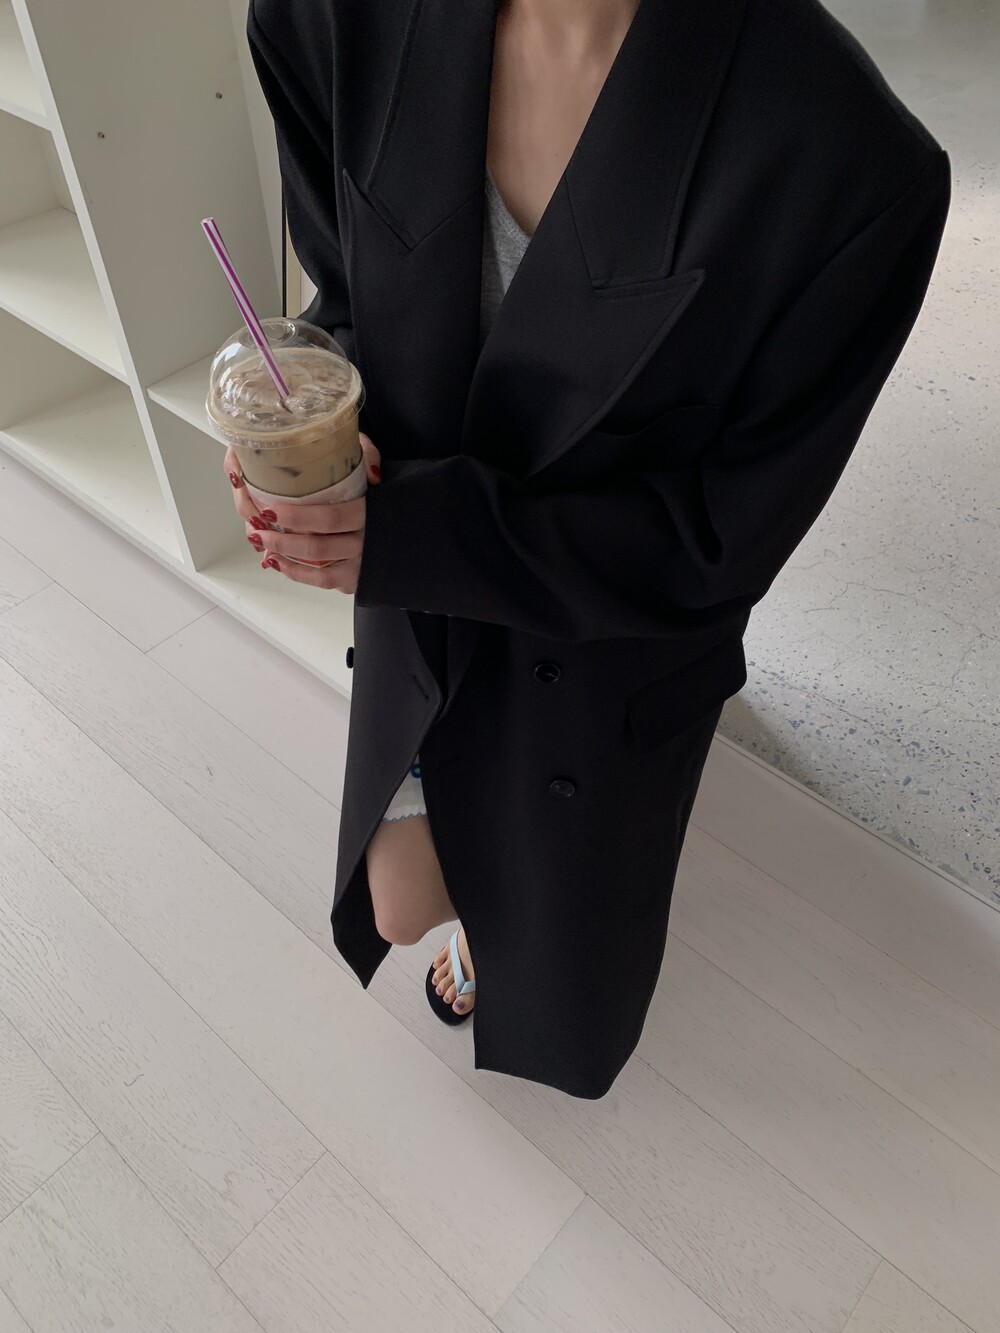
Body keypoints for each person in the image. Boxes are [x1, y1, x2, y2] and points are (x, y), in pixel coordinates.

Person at [230, 0, 951, 1099]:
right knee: (403, 896)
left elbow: (713, 544)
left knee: (558, 925)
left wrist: (415, 533)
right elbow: (347, 287)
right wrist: (327, 432)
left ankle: (505, 944)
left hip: (604, 640)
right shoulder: (329, 14)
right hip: (412, 585)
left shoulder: (847, 165)